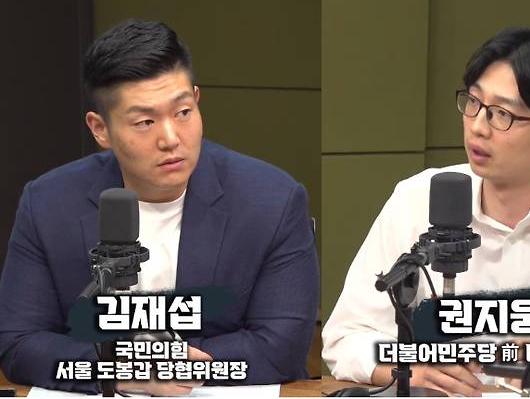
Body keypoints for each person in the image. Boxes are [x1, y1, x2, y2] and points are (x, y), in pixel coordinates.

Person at [322, 27, 530, 396]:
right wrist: (409, 367)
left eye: (502, 115)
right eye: (474, 103)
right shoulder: (417, 197)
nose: (478, 127)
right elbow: (347, 336)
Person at [0, 19, 319, 395]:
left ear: (197, 99)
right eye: (145, 121)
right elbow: (19, 342)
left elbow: (282, 347)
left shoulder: (272, 200)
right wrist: (119, 369)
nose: (170, 138)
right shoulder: (49, 203)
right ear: (100, 129)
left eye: (183, 112)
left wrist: (176, 365)